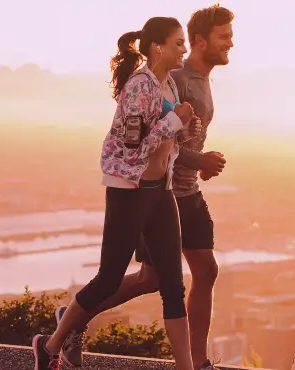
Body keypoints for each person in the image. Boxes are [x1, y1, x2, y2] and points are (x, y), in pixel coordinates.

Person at [54, 5, 234, 370]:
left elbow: (177, 133)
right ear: (199, 40)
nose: (231, 42)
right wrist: (195, 158)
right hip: (150, 191)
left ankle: (195, 363)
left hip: (177, 189)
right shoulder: (168, 78)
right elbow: (144, 142)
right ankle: (70, 321)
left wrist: (192, 142)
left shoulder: (186, 80)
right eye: (224, 36)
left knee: (196, 272)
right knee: (139, 279)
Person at [32, 16, 197, 370]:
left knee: (173, 287)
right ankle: (50, 345)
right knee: (109, 278)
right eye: (178, 42)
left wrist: (184, 127)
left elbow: (167, 140)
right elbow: (134, 147)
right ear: (157, 46)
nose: (185, 48)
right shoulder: (140, 85)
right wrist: (175, 122)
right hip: (130, 193)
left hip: (160, 192)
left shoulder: (169, 85)